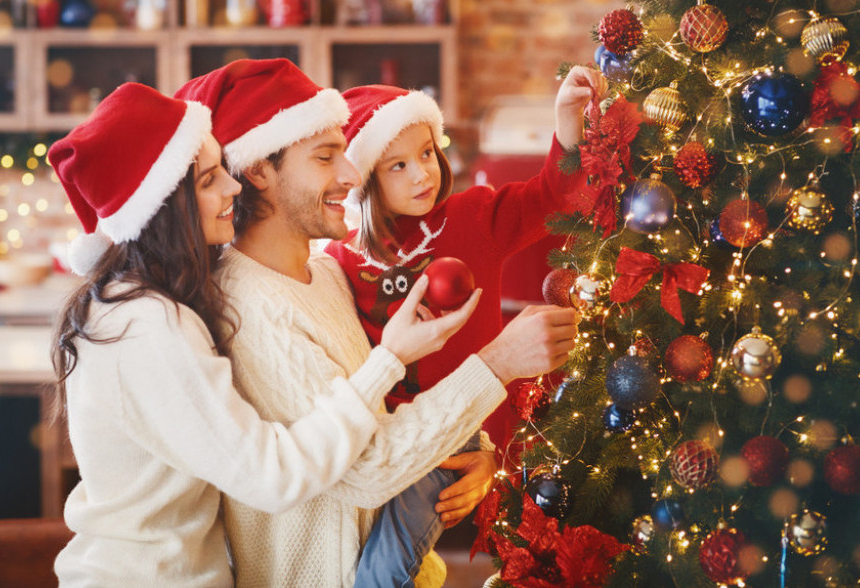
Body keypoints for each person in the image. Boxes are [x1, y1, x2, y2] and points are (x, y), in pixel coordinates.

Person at [46, 82, 485, 588]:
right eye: (209, 178)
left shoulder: (160, 304)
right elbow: (272, 474)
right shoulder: (147, 326)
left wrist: (471, 446)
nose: (232, 186)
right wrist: (396, 360)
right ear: (163, 205)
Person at [174, 58, 580, 587]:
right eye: (326, 157)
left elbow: (380, 421)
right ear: (258, 171)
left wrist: (475, 452)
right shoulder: (256, 305)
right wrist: (497, 363)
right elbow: (369, 470)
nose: (351, 174)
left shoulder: (324, 275)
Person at [321, 67, 606, 587]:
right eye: (398, 165)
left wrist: (567, 122)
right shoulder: (342, 258)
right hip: (387, 442)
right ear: (364, 180)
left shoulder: (474, 216)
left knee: (387, 565)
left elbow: (550, 195)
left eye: (427, 154)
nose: (421, 175)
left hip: (457, 434)